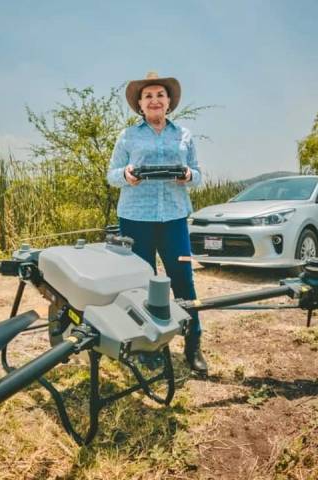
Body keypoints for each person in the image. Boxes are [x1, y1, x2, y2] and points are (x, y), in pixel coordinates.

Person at [106, 72, 206, 374]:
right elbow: (112, 175)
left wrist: (188, 175)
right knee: (142, 283)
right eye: (148, 96)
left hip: (174, 218)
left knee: (184, 280)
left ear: (169, 101)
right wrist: (127, 175)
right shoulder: (127, 136)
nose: (154, 100)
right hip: (136, 219)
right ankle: (148, 348)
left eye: (160, 95)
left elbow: (198, 175)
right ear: (139, 104)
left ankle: (193, 344)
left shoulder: (184, 135)